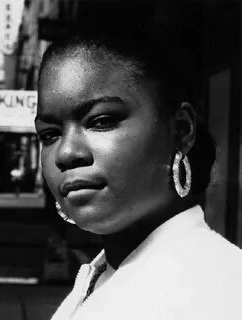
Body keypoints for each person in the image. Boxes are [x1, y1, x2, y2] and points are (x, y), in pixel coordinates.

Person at [35, 2, 242, 319]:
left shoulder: (216, 292)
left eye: (101, 120)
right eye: (50, 134)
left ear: (181, 130)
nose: (65, 153)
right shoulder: (105, 271)